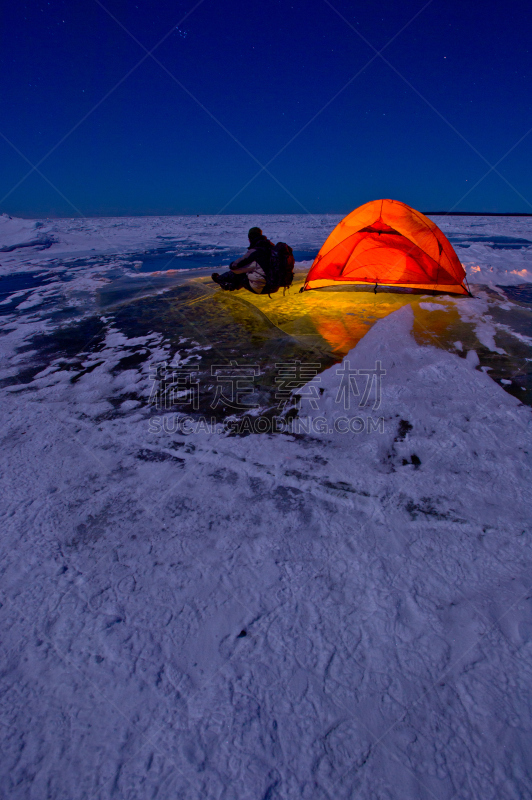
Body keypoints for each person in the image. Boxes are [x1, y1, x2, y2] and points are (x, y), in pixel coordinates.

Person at [212, 227, 274, 294]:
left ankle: (222, 281)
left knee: (241, 272)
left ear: (250, 239)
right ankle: (229, 284)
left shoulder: (256, 252)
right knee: (249, 269)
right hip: (274, 285)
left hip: (262, 287)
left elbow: (234, 266)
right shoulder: (271, 248)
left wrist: (233, 264)